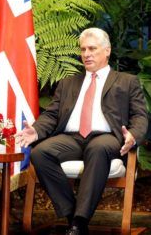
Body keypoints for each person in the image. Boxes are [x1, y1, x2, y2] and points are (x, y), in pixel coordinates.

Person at [16, 28, 148, 235]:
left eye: (92, 49)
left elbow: (140, 116)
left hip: (107, 138)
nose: (86, 54)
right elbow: (51, 115)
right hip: (71, 138)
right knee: (40, 153)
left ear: (107, 51)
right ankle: (73, 217)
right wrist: (36, 131)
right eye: (83, 49)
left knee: (98, 148)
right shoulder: (68, 83)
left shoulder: (126, 81)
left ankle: (79, 220)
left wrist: (133, 135)